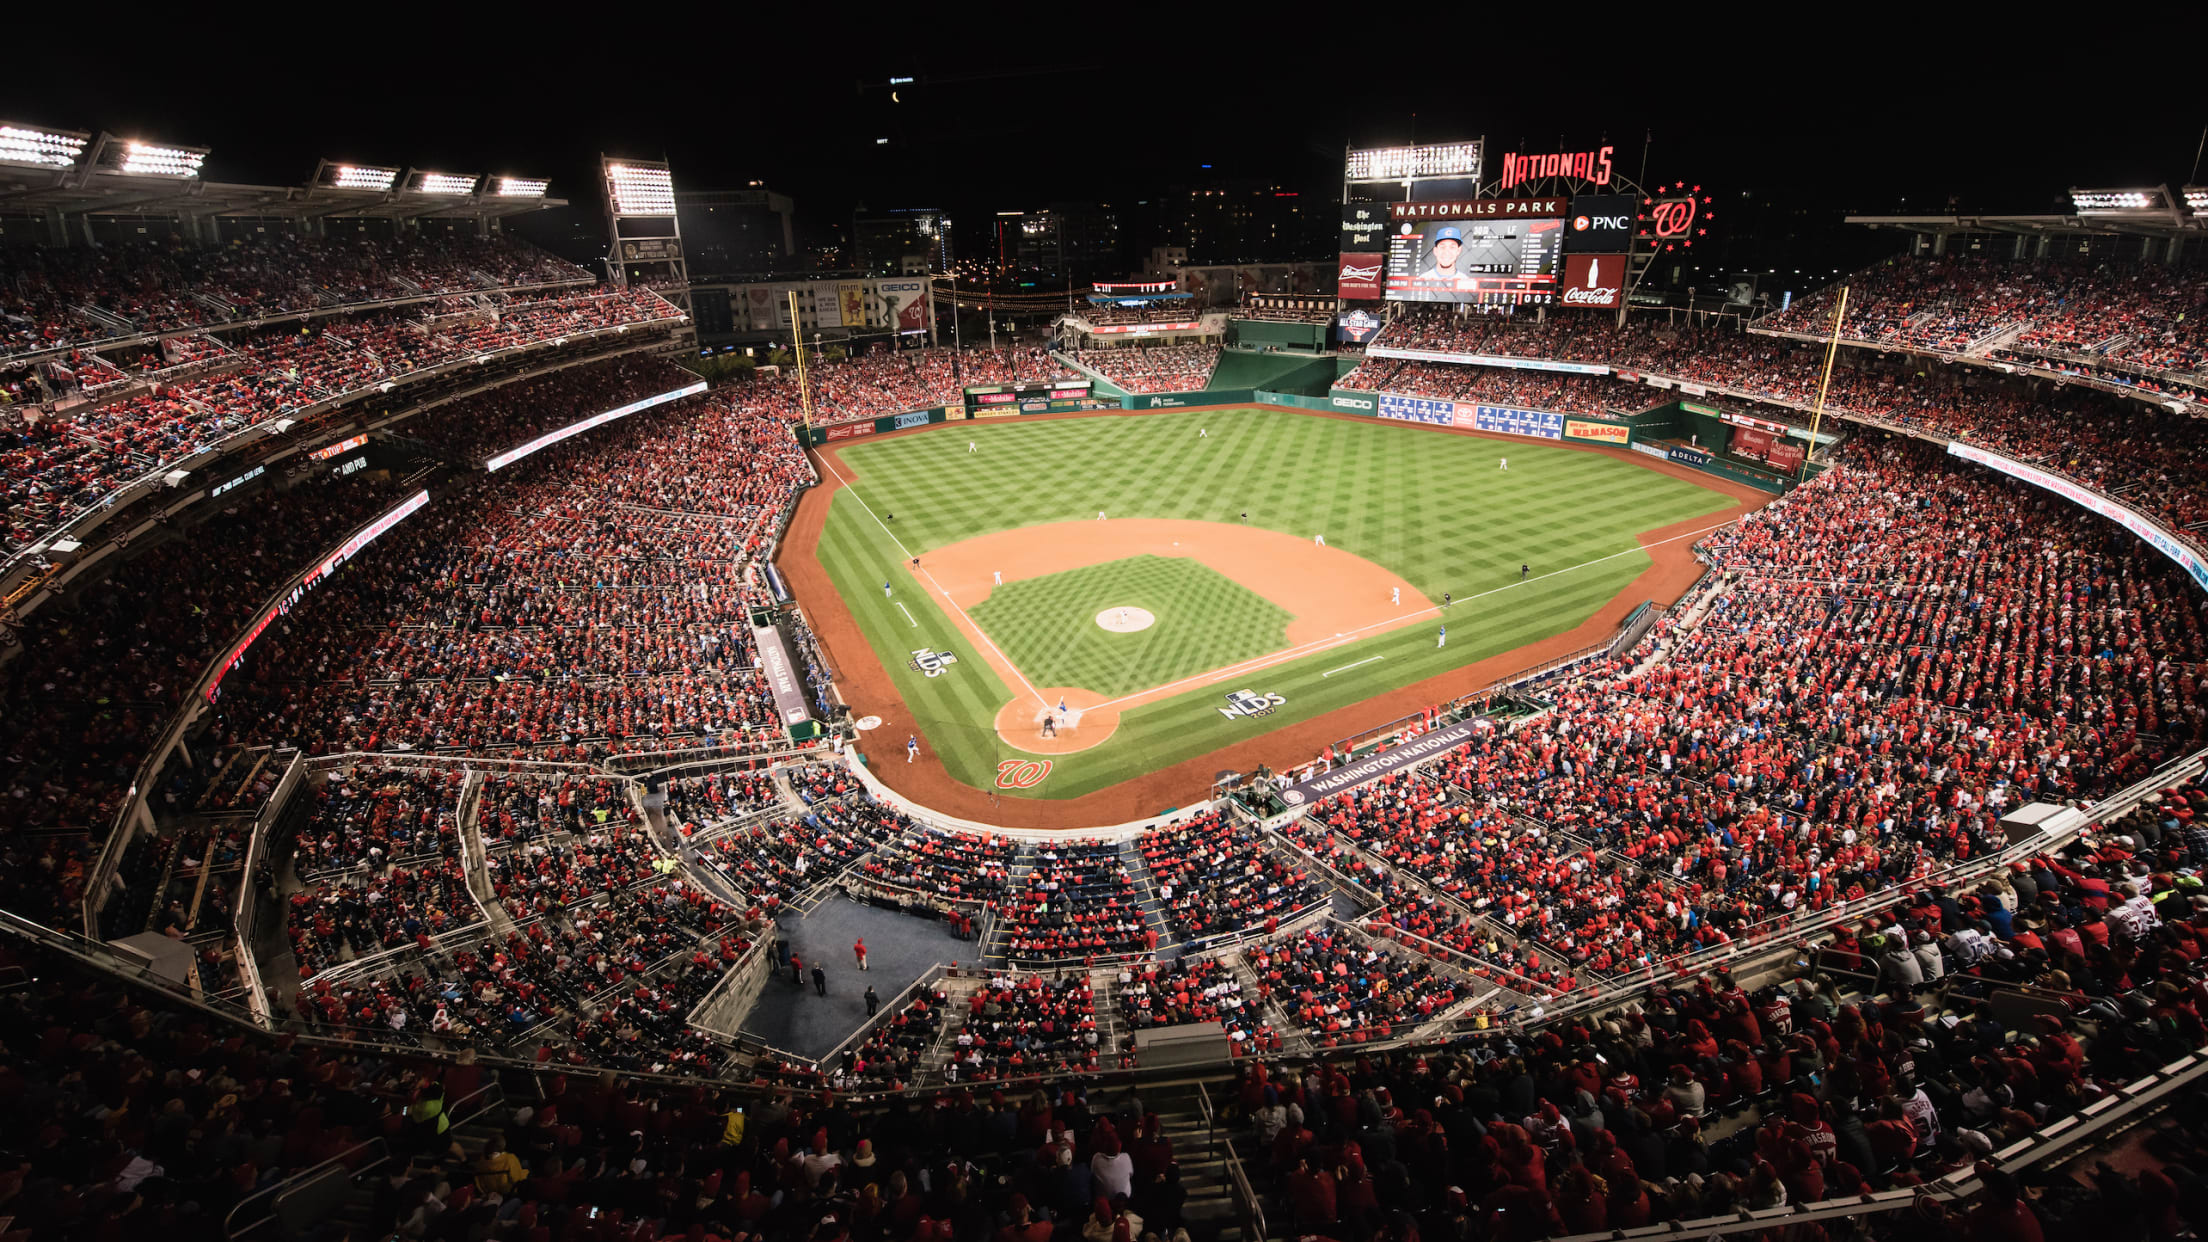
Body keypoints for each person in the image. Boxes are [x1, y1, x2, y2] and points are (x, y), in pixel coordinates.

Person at [1416, 226, 1478, 291]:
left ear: (1458, 251)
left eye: (1452, 247)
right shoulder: (1422, 280)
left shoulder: (1467, 283)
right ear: (1435, 251)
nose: (1447, 252)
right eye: (1442, 247)